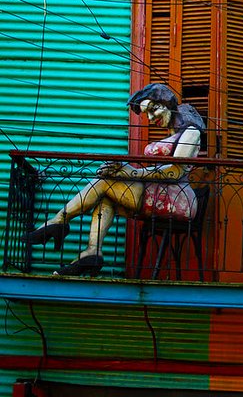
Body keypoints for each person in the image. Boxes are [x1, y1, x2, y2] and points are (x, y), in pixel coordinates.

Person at [22, 83, 206, 276]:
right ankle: (92, 251)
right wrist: (124, 170)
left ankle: (58, 221)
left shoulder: (191, 132)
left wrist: (129, 172)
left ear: (167, 103)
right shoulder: (175, 132)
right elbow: (162, 168)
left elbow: (175, 172)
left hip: (178, 199)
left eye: (153, 109)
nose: (151, 118)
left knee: (105, 182)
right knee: (106, 195)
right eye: (147, 114)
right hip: (162, 192)